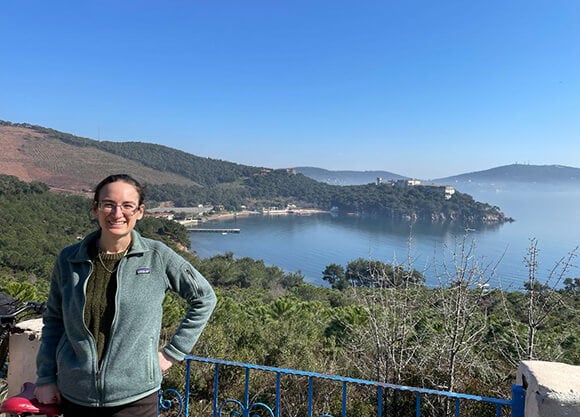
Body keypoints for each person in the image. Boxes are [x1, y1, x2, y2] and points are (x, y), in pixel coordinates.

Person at [34, 174, 217, 417]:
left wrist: (172, 353)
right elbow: (54, 320)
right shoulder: (68, 259)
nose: (117, 213)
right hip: (75, 394)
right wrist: (46, 377)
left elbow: (204, 297)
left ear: (140, 212)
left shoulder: (157, 256)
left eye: (127, 206)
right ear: (96, 209)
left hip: (136, 399)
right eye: (108, 204)